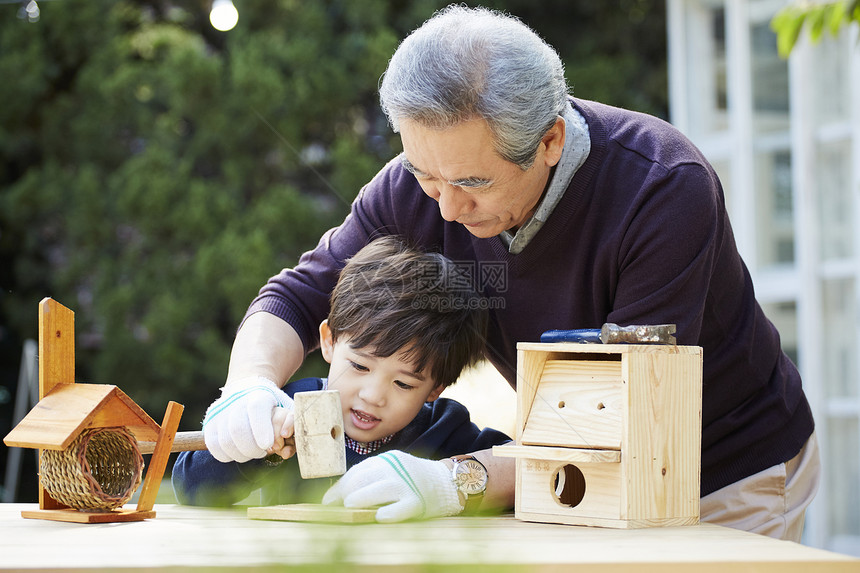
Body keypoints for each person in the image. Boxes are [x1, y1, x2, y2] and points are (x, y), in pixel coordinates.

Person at [203, 5, 819, 540]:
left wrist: (457, 479)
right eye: (425, 174)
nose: (443, 206)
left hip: (723, 464)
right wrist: (249, 386)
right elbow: (299, 295)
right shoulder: (417, 186)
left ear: (550, 141)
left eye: (472, 182)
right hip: (563, 461)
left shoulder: (661, 189)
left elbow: (625, 416)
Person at [173, 236, 511, 518]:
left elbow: (527, 467)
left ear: (435, 388)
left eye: (404, 383)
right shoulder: (287, 409)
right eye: (361, 366)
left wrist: (448, 481)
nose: (373, 395)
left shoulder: (445, 430)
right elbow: (191, 487)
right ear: (329, 341)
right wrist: (257, 443)